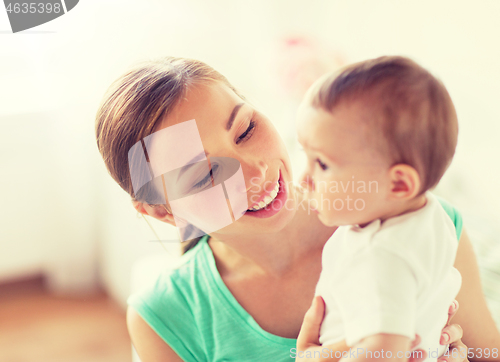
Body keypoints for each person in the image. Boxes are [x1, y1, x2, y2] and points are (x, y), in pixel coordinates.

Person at [94, 57, 500, 361]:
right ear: (163, 212)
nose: (256, 171)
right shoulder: (163, 319)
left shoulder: (418, 222)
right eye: (205, 176)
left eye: (247, 129)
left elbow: (488, 353)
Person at [296, 56, 462, 361]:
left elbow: (384, 350)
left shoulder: (379, 252)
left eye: (322, 163)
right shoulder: (431, 215)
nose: (303, 178)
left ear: (398, 184)